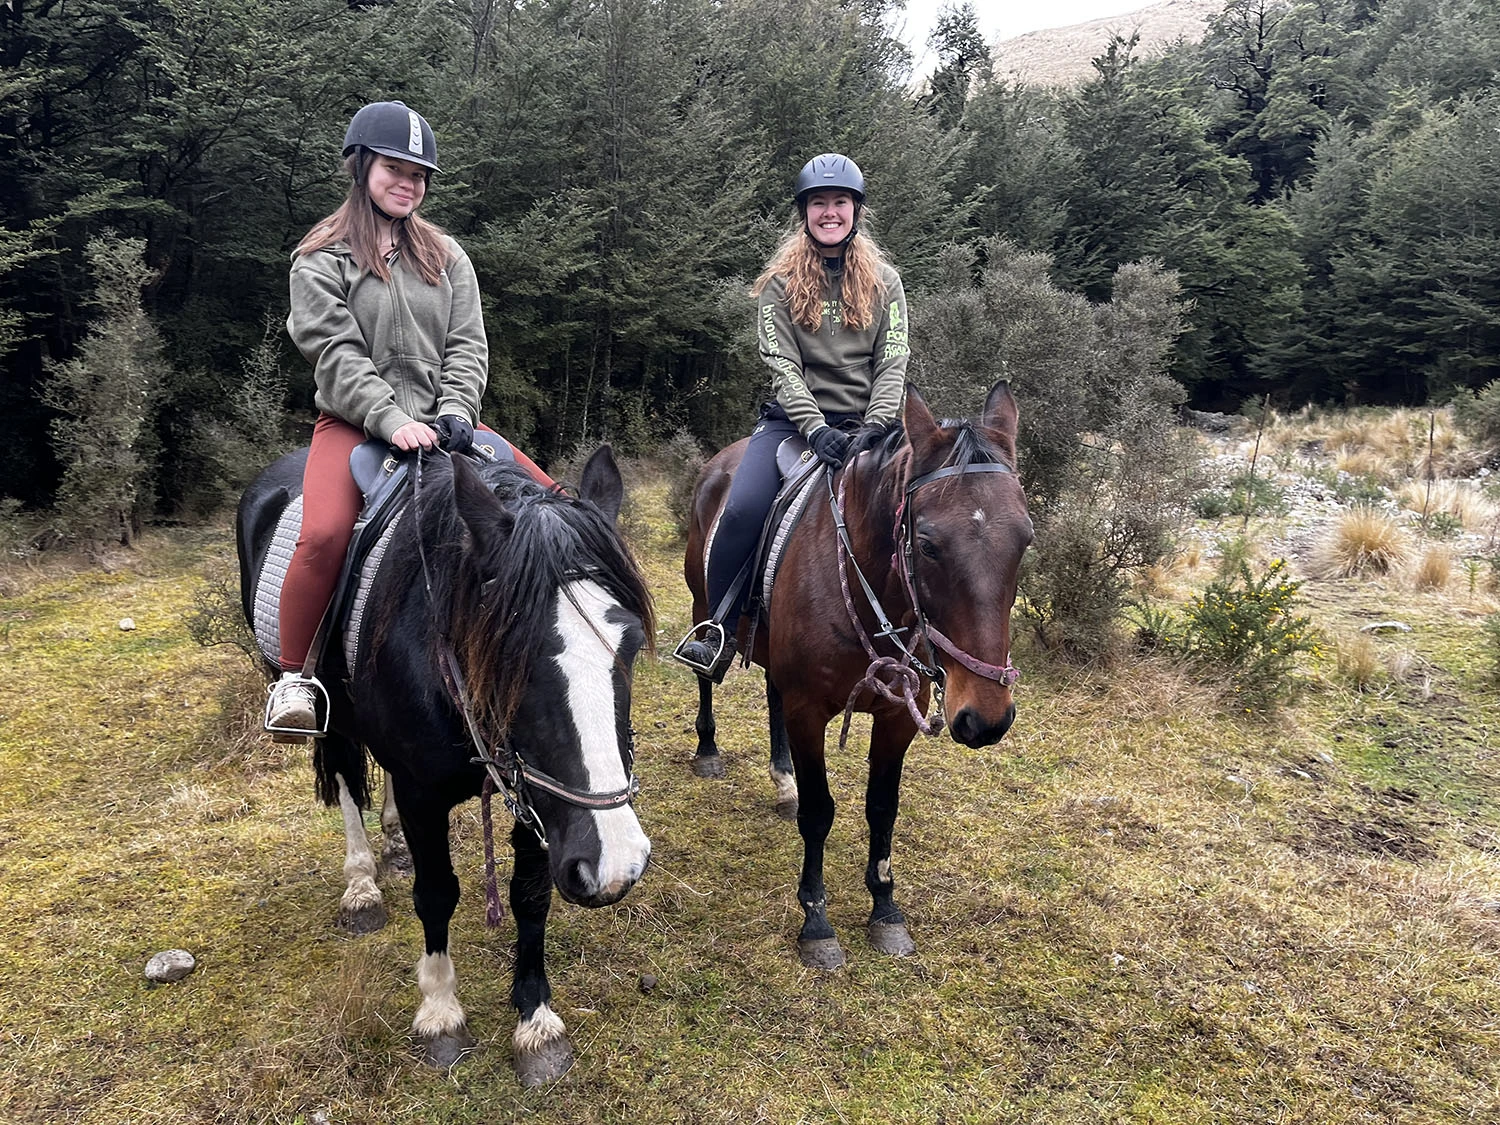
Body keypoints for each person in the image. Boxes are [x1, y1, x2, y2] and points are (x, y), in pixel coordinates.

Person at [266, 100, 552, 736]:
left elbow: (467, 345)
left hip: (445, 424)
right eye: (395, 168)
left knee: (555, 503)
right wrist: (388, 418)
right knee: (323, 534)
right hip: (351, 424)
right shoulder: (321, 256)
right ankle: (294, 679)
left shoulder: (447, 256)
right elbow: (332, 350)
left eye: (419, 175)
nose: (408, 183)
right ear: (361, 166)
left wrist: (455, 410)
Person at [674, 152, 910, 680]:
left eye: (840, 203)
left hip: (871, 427)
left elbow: (893, 359)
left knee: (931, 514)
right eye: (819, 203)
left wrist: (875, 423)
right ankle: (718, 627)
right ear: (804, 212)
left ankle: (928, 636)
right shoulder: (779, 283)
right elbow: (782, 364)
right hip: (794, 424)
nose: (830, 212)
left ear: (856, 211)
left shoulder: (886, 283)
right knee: (739, 511)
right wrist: (816, 428)